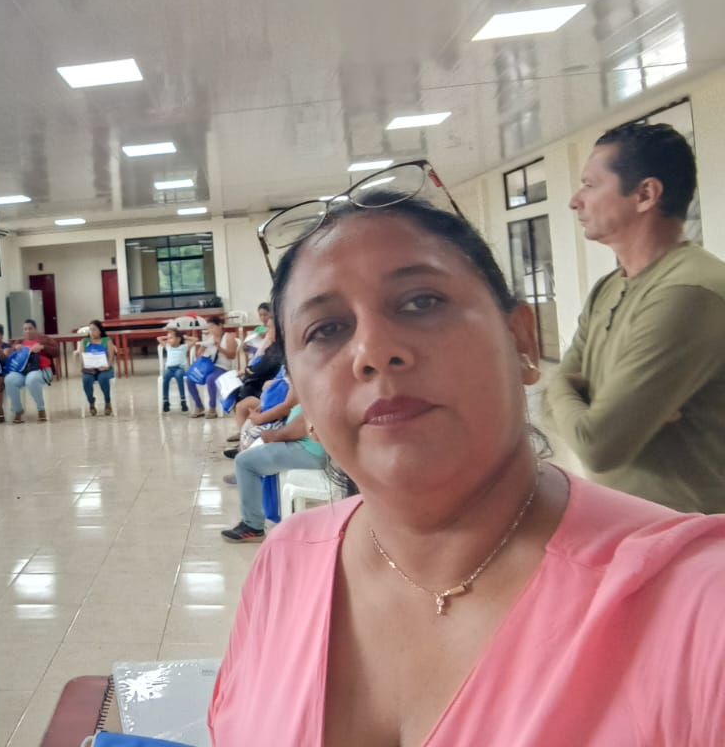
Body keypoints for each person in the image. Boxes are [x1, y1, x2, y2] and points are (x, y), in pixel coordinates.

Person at [208, 184, 725, 745]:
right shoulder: (285, 564)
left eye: (421, 302)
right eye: (326, 329)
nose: (374, 351)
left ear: (521, 339)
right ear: (301, 390)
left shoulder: (697, 608)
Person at [547, 120, 725, 514]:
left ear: (645, 194)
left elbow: (598, 445)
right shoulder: (608, 288)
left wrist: (568, 390)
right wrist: (567, 389)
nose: (575, 201)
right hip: (631, 525)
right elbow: (552, 403)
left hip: (694, 534)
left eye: (590, 184)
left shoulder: (689, 292)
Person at [220, 384, 324, 542]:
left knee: (244, 462)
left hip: (309, 451)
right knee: (254, 451)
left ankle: (252, 526)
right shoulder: (316, 390)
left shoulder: (312, 396)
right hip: (308, 447)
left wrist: (268, 434)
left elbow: (284, 433)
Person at [6, 319, 55, 424]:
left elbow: (56, 351)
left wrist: (42, 347)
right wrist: (15, 349)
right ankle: (18, 410)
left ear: (35, 329)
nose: (27, 331)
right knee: (9, 380)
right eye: (25, 329)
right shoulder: (20, 342)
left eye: (30, 328)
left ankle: (41, 409)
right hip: (22, 371)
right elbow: (9, 354)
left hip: (40, 369)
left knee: (31, 379)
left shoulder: (44, 339)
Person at [188, 317, 237, 420]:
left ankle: (212, 408)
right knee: (190, 378)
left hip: (222, 367)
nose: (210, 330)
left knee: (210, 379)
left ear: (220, 326)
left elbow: (232, 356)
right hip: (209, 367)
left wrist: (219, 348)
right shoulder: (209, 339)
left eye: (212, 327)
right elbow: (199, 357)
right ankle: (199, 406)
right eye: (209, 328)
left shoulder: (228, 337)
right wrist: (201, 349)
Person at [77, 319, 116, 416]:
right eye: (90, 329)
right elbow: (81, 357)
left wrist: (107, 366)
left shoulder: (107, 340)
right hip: (89, 369)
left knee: (103, 378)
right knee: (86, 380)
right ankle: (91, 402)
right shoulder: (84, 341)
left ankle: (107, 402)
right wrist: (84, 367)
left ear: (100, 330)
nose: (92, 332)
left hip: (105, 368)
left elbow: (111, 357)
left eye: (94, 329)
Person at [160, 328, 190, 413]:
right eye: (168, 338)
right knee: (165, 378)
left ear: (178, 339)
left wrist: (185, 337)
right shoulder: (168, 347)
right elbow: (159, 338)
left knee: (179, 376)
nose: (168, 340)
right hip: (169, 369)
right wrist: (168, 337)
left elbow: (195, 340)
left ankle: (183, 400)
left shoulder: (183, 347)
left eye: (171, 338)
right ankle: (166, 401)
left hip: (179, 368)